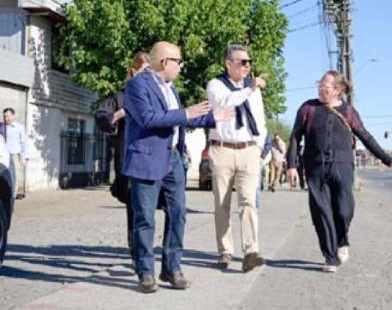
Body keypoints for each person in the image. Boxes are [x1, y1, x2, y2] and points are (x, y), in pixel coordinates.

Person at [122, 41, 233, 293]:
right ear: (165, 62)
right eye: (179, 61)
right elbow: (148, 118)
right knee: (145, 218)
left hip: (173, 159)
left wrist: (213, 117)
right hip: (146, 159)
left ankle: (171, 268)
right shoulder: (137, 85)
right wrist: (186, 113)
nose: (181, 67)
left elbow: (182, 120)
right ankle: (145, 272)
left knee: (178, 213)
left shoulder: (171, 88)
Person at [286, 70, 392, 273]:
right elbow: (295, 136)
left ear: (337, 90)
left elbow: (365, 136)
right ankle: (331, 257)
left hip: (342, 165)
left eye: (325, 86)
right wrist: (291, 165)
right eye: (320, 85)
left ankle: (342, 239)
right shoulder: (308, 108)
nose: (321, 88)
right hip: (315, 166)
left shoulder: (348, 111)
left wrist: (387, 158)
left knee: (344, 209)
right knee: (321, 212)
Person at [206, 44, 268, 272]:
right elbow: (227, 102)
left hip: (248, 150)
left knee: (248, 201)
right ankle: (225, 251)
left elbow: (259, 119)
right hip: (222, 149)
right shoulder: (216, 85)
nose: (247, 66)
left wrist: (259, 146)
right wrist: (250, 88)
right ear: (228, 63)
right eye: (242, 62)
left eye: (249, 62)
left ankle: (251, 251)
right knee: (222, 203)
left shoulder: (253, 90)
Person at [94, 52, 150, 260]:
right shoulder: (121, 96)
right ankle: (137, 250)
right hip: (129, 156)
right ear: (134, 71)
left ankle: (151, 251)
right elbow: (102, 115)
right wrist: (117, 115)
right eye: (143, 71)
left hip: (153, 157)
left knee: (154, 206)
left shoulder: (156, 94)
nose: (147, 76)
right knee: (134, 205)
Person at [3, 108, 30, 199]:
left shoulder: (19, 127)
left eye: (8, 116)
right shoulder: (1, 127)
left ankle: (12, 198)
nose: (6, 118)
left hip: (14, 156)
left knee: (14, 177)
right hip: (3, 156)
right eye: (4, 116)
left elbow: (24, 142)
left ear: (13, 116)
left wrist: (25, 157)